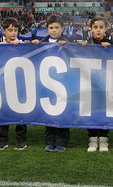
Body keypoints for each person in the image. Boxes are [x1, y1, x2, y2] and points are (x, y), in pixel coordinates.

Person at [32, 15, 71, 152]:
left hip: (63, 83)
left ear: (62, 29)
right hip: (46, 83)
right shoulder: (41, 43)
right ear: (47, 28)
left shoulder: (68, 42)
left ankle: (61, 142)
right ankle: (49, 141)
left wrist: (68, 46)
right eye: (51, 28)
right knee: (49, 112)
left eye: (56, 28)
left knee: (62, 112)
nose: (54, 30)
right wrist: (34, 46)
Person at [0, 17, 28, 151]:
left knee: (21, 113)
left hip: (20, 84)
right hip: (3, 84)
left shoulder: (24, 44)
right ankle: (2, 140)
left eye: (15, 30)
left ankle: (21, 140)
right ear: (4, 31)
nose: (13, 33)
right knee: (4, 112)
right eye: (10, 30)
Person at [80, 17, 113, 152]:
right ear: (91, 29)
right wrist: (82, 48)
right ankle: (93, 138)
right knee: (92, 109)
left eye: (101, 27)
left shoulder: (111, 42)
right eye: (95, 27)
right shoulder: (87, 43)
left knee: (105, 109)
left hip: (106, 83)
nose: (98, 30)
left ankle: (104, 138)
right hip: (90, 83)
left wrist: (112, 48)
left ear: (105, 29)